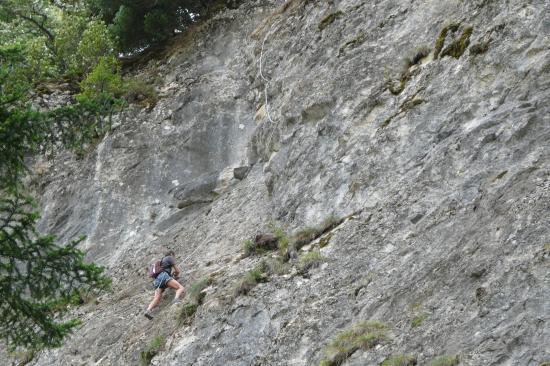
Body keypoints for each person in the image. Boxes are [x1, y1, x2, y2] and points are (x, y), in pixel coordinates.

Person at [144, 250, 185, 319]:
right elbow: (177, 271)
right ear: (171, 254)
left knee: (157, 297)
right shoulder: (169, 258)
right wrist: (175, 274)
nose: (174, 258)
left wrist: (171, 277)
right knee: (180, 288)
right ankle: (176, 299)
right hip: (164, 277)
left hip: (157, 281)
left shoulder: (161, 263)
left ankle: (148, 310)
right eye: (174, 256)